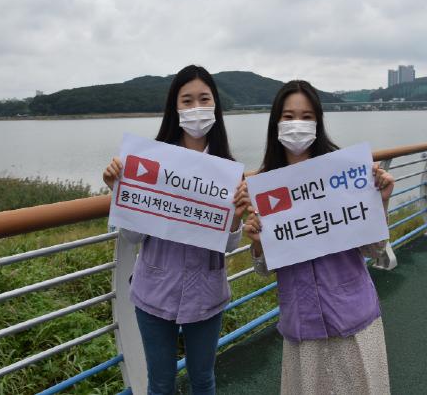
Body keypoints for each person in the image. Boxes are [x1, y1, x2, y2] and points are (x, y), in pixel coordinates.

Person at [103, 65, 250, 395]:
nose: (196, 108)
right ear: (175, 107)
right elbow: (133, 237)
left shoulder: (228, 170)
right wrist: (120, 191)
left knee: (204, 379)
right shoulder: (152, 161)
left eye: (204, 99)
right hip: (154, 290)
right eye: (187, 100)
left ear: (216, 105)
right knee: (160, 383)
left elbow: (229, 245)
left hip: (207, 293)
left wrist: (236, 217)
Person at [244, 80, 395, 395]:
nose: (296, 124)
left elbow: (375, 248)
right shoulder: (264, 185)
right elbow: (263, 270)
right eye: (288, 117)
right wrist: (257, 242)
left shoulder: (344, 173)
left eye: (306, 116)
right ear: (275, 123)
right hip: (303, 325)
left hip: (353, 319)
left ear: (318, 122)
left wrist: (380, 202)